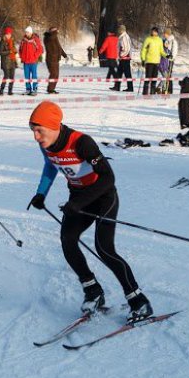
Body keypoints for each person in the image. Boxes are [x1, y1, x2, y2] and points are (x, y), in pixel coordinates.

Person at [26, 101, 154, 324]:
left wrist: (79, 203)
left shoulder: (81, 142)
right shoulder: (45, 145)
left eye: (40, 130)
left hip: (103, 197)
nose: (36, 136)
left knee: (104, 249)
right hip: (78, 197)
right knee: (68, 239)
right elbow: (50, 165)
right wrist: (41, 193)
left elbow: (108, 177)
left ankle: (138, 300)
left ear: (54, 125)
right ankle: (93, 291)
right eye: (33, 131)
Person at [139, 27, 165, 95]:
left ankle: (152, 92)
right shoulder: (148, 39)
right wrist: (143, 59)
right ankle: (145, 93)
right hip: (149, 61)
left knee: (154, 78)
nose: (153, 33)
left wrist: (167, 55)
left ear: (157, 32)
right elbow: (143, 50)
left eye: (154, 31)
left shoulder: (159, 40)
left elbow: (161, 51)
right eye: (152, 31)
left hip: (156, 62)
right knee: (148, 78)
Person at [18, 26, 43, 95]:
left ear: (31, 32)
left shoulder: (35, 39)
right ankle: (28, 89)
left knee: (34, 76)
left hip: (33, 61)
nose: (26, 33)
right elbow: (20, 49)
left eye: (28, 32)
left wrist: (35, 56)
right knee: (27, 76)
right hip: (26, 62)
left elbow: (40, 49)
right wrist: (21, 56)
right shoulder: (23, 40)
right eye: (26, 32)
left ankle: (35, 89)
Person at [43, 26, 68, 94]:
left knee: (56, 75)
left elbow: (59, 47)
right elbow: (50, 39)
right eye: (56, 32)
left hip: (56, 59)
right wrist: (54, 33)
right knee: (53, 74)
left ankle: (52, 89)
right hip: (50, 59)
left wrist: (64, 55)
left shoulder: (55, 38)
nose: (57, 33)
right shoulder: (47, 37)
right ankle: (50, 89)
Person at [0, 27, 18, 96]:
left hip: (12, 61)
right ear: (5, 34)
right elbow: (0, 52)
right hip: (5, 62)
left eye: (9, 34)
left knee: (12, 77)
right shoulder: (2, 42)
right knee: (6, 76)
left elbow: (14, 50)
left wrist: (15, 51)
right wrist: (9, 51)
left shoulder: (12, 41)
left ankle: (10, 91)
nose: (8, 35)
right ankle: (1, 90)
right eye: (7, 34)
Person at [117, 25, 134, 92]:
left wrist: (122, 55)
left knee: (127, 73)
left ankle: (130, 88)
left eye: (119, 29)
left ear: (122, 30)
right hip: (123, 58)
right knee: (119, 73)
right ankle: (117, 86)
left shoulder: (124, 37)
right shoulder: (122, 37)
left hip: (125, 58)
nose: (118, 30)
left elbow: (127, 48)